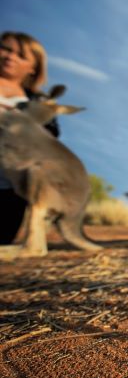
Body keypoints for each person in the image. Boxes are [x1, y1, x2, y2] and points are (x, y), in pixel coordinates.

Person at [0, 31, 59, 244]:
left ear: (33, 67)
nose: (10, 57)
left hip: (9, 190)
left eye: (21, 55)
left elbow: (49, 140)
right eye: (5, 48)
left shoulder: (39, 102)